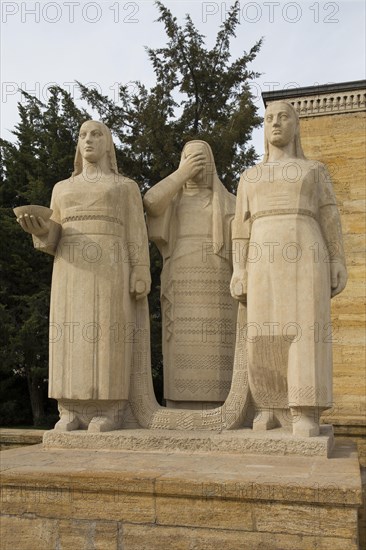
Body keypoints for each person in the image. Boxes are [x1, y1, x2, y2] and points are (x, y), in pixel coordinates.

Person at [16, 120, 151, 431]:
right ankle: (70, 409)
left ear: (108, 144)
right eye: (82, 135)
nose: (88, 140)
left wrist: (141, 269)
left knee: (107, 333)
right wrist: (40, 230)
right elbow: (52, 237)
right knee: (69, 334)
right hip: (69, 268)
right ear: (77, 145)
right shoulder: (62, 189)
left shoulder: (125, 187)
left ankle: (109, 409)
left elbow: (136, 231)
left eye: (96, 134)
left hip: (111, 267)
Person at [230, 101, 347, 437]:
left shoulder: (314, 170)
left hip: (306, 251)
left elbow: (329, 216)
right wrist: (239, 269)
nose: (275, 123)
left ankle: (305, 410)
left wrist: (337, 259)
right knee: (263, 333)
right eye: (268, 118)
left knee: (305, 332)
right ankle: (270, 407)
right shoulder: (250, 176)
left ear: (297, 126)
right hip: (261, 256)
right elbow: (240, 226)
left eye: (283, 117)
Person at [144, 140, 237, 409]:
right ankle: (178, 399)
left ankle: (222, 400)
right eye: (189, 157)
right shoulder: (172, 202)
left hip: (217, 279)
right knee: (180, 340)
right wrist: (182, 173)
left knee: (217, 340)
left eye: (201, 158)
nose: (196, 163)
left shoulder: (229, 202)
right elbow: (150, 201)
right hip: (180, 279)